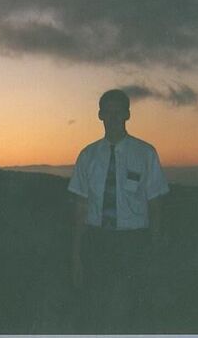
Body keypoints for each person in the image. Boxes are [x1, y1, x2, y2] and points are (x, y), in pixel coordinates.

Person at [68, 89, 169, 333]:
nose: (113, 117)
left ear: (127, 115)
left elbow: (156, 204)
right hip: (97, 241)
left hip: (133, 243)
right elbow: (80, 207)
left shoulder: (145, 153)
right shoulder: (88, 156)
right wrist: (75, 254)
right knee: (96, 309)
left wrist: (155, 248)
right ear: (100, 115)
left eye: (118, 112)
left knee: (129, 310)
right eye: (108, 112)